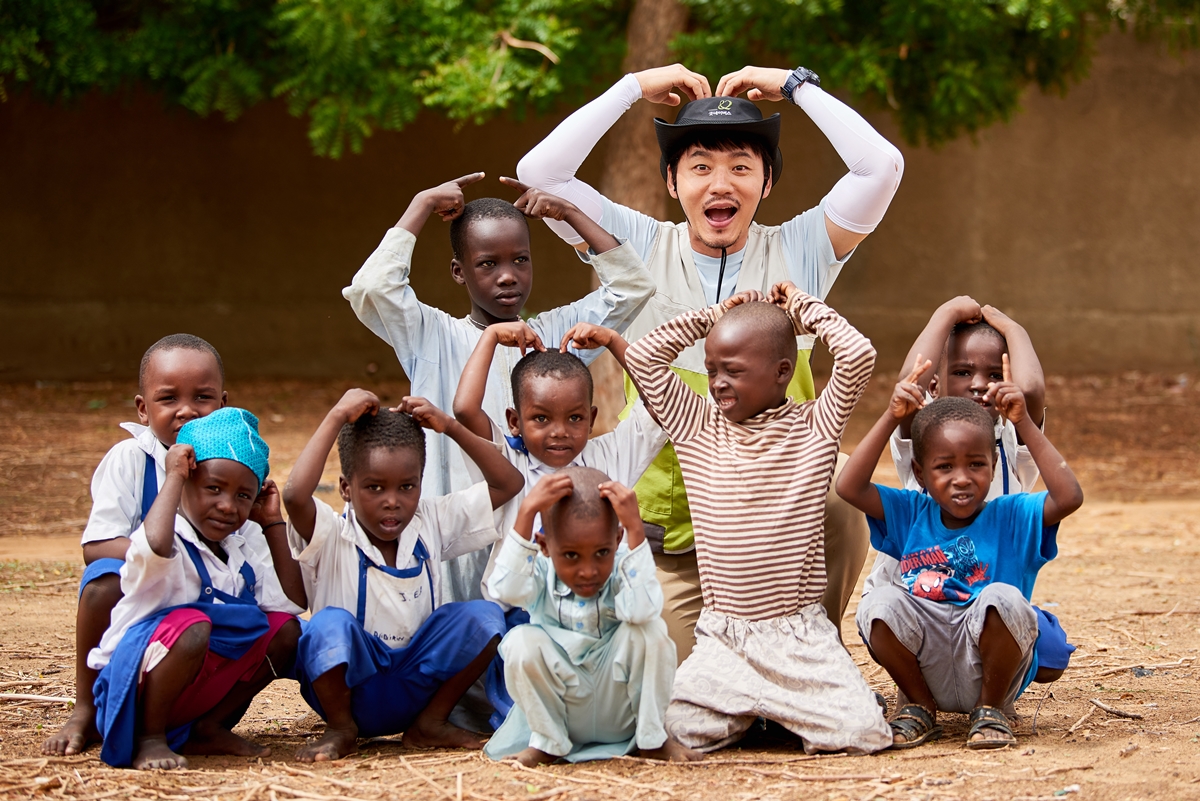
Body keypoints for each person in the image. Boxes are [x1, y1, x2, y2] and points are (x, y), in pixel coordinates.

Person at [516, 63, 904, 655]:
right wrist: (630, 88)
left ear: (767, 184)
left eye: (741, 167)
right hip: (672, 537)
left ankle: (809, 647)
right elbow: (539, 173)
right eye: (700, 167)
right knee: (676, 695)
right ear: (672, 183)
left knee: (841, 491)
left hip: (779, 536)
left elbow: (882, 167)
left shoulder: (802, 248)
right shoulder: (636, 245)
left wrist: (797, 86)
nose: (720, 184)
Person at [343, 174, 654, 605]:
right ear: (459, 271)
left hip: (534, 542)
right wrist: (420, 203)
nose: (508, 276)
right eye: (488, 263)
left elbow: (632, 288)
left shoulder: (554, 338)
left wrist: (570, 215)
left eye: (520, 260)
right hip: (451, 534)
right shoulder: (431, 336)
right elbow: (372, 288)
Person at [624, 283, 891, 754]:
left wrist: (802, 309)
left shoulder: (815, 426)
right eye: (711, 370)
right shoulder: (696, 424)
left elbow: (858, 355)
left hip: (798, 635)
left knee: (863, 734)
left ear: (782, 372)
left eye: (733, 370)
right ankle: (754, 713)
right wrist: (713, 316)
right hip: (723, 637)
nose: (717, 382)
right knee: (665, 732)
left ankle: (777, 710)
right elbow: (644, 358)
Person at [837, 358, 1084, 749]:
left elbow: (1069, 496)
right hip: (928, 659)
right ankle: (919, 706)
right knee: (879, 603)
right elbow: (848, 486)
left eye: (975, 464)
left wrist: (1022, 423)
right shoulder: (911, 512)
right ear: (920, 473)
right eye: (944, 466)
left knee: (1002, 597)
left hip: (986, 667)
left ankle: (991, 712)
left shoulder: (1011, 515)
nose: (962, 478)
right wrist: (890, 416)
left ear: (994, 464)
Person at [283, 390, 524, 761]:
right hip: (350, 690)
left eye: (407, 487)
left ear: (420, 484)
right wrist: (335, 416)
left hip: (414, 684)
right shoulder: (330, 532)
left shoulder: (430, 521)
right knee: (327, 625)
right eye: (374, 487)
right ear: (346, 488)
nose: (392, 500)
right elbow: (296, 495)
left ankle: (430, 722)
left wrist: (450, 427)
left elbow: (509, 483)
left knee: (485, 617)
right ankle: (341, 730)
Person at [861, 297, 1074, 689]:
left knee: (1054, 651)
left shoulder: (1011, 444)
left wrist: (1014, 329)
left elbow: (1031, 390)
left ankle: (986, 692)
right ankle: (917, 696)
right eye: (962, 371)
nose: (979, 384)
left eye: (994, 374)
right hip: (916, 600)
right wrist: (945, 313)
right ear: (937, 385)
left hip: (982, 600)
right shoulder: (923, 435)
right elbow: (912, 379)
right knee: (886, 617)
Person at [89, 408, 305, 769]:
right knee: (193, 626)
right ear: (187, 483)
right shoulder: (167, 539)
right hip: (130, 699)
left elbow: (295, 600)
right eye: (213, 488)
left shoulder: (241, 554)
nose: (226, 505)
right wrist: (173, 476)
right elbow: (155, 545)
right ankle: (150, 739)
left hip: (193, 695)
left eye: (242, 496)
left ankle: (208, 726)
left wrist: (272, 522)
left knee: (286, 630)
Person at [44, 334, 228, 757]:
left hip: (203, 604)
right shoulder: (130, 459)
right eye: (168, 398)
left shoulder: (231, 463)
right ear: (143, 409)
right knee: (101, 581)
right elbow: (96, 546)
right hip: (140, 600)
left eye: (203, 396)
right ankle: (86, 709)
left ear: (223, 402)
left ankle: (206, 722)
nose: (187, 410)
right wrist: (164, 562)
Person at [484, 467, 696, 765]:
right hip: (567, 718)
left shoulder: (625, 566)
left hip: (620, 715)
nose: (588, 571)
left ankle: (652, 740)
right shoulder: (542, 571)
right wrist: (527, 511)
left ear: (617, 539)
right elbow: (505, 589)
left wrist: (636, 531)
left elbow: (643, 610)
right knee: (520, 641)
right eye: (571, 555)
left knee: (649, 631)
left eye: (601, 553)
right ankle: (548, 743)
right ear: (544, 547)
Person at [452, 319, 666, 539]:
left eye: (574, 417)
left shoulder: (608, 458)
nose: (560, 432)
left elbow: (662, 404)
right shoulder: (507, 465)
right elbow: (465, 410)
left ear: (591, 419)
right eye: (541, 418)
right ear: (514, 422)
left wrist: (613, 340)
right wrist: (491, 336)